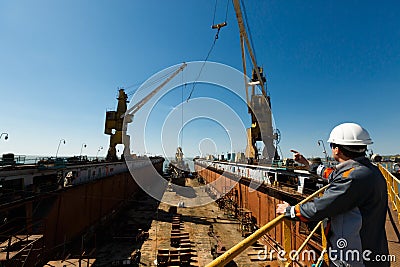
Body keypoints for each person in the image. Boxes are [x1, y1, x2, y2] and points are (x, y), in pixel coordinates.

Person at [277, 122, 389, 267]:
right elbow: (333, 175)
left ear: (336, 149)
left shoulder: (352, 178)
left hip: (355, 258)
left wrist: (290, 211)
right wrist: (306, 163)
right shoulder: (367, 170)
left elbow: (321, 207)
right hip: (373, 248)